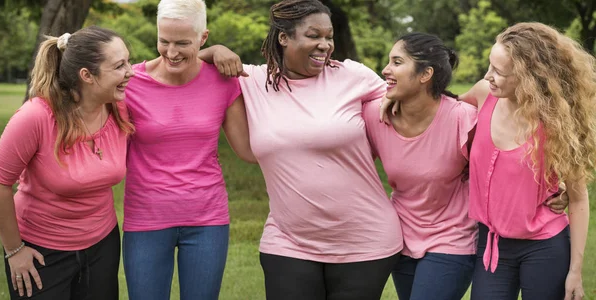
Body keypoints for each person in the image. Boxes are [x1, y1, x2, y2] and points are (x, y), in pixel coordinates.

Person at [199, 1, 403, 299]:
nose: (325, 45)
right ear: (284, 37)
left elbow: (411, 102)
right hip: (288, 242)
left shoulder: (353, 76)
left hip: (365, 241)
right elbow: (182, 62)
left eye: (329, 37)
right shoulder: (253, 80)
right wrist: (215, 50)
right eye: (313, 35)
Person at [121, 0, 254, 299]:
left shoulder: (222, 81)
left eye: (183, 43)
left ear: (203, 38)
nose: (171, 52)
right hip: (146, 219)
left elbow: (246, 150)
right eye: (163, 41)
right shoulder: (131, 84)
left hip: (207, 220)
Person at [0, 26, 134, 299]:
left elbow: (167, 69)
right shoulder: (36, 118)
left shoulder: (118, 105)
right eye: (120, 66)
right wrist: (14, 250)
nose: (130, 71)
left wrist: (213, 52)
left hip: (102, 246)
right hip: (41, 252)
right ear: (87, 76)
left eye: (129, 61)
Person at [460, 22, 595, 300]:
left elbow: (579, 200)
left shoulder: (558, 124)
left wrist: (575, 272)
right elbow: (440, 111)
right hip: (492, 243)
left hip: (545, 246)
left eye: (498, 71)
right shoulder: (484, 94)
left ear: (529, 76)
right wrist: (394, 99)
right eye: (489, 66)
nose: (488, 76)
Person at [362, 33, 478, 300]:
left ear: (425, 74)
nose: (385, 69)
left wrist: (555, 187)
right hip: (400, 239)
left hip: (453, 239)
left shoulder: (461, 118)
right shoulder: (374, 115)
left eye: (397, 62)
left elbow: (502, 166)